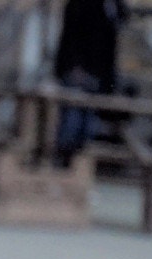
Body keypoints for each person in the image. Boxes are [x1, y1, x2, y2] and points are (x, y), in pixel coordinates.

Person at [52, 0, 127, 168]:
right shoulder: (82, 4)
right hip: (78, 71)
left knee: (88, 125)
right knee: (72, 121)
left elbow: (121, 20)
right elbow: (72, 34)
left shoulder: (111, 6)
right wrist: (73, 66)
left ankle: (75, 165)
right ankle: (64, 164)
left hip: (97, 72)